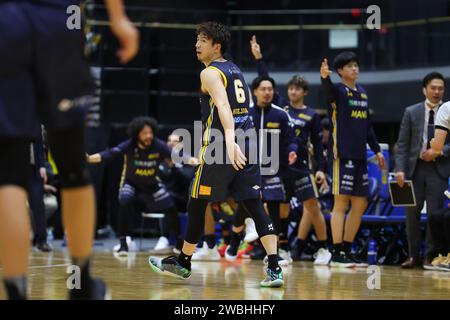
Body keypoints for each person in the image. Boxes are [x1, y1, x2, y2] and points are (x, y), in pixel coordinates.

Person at [0, 0, 138, 300]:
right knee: (73, 166)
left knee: (9, 177)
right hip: (59, 22)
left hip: (7, 24)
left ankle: (15, 291)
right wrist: (118, 17)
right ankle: (81, 284)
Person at [148, 21, 283, 288]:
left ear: (216, 45)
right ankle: (275, 269)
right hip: (249, 142)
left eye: (203, 40)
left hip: (223, 144)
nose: (197, 44)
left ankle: (184, 262)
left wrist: (229, 141)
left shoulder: (210, 73)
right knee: (254, 205)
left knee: (196, 200)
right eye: (196, 39)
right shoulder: (234, 69)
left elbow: (222, 105)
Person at [250, 35, 331, 265]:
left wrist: (321, 170)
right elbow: (264, 82)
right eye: (291, 89)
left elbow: (318, 144)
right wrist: (259, 58)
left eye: (298, 89)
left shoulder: (312, 115)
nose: (294, 92)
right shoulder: (280, 108)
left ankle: (324, 249)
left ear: (304, 92)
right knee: (282, 210)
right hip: (282, 168)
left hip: (302, 168)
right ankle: (282, 249)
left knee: (312, 207)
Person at [87, 117, 189, 256]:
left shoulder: (158, 145)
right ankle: (123, 243)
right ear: (137, 134)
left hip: (151, 185)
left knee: (170, 207)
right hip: (132, 183)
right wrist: (90, 158)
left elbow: (180, 156)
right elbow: (110, 153)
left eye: (150, 132)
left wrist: (196, 161)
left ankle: (178, 243)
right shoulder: (129, 145)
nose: (148, 136)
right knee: (124, 201)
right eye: (145, 133)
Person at [320, 52, 386, 268]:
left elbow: (367, 126)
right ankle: (337, 251)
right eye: (350, 66)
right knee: (341, 202)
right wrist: (324, 77)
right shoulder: (338, 90)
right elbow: (328, 93)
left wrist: (376, 150)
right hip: (342, 155)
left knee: (360, 203)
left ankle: (347, 249)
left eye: (356, 65)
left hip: (360, 157)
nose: (355, 69)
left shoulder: (363, 93)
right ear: (340, 71)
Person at [224, 75, 297, 266]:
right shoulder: (244, 113)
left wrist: (292, 151)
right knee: (245, 205)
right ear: (255, 91)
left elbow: (291, 140)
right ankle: (235, 238)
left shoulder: (281, 114)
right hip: (249, 166)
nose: (267, 92)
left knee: (273, 207)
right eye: (263, 89)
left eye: (270, 89)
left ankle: (273, 252)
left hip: (274, 170)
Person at [395, 72, 450, 269]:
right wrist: (399, 170)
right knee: (412, 215)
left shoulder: (448, 111)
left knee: (435, 215)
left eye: (441, 88)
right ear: (424, 89)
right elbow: (402, 144)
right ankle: (413, 256)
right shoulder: (411, 112)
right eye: (433, 88)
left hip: (438, 170)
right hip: (414, 170)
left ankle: (430, 256)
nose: (437, 91)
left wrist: (439, 151)